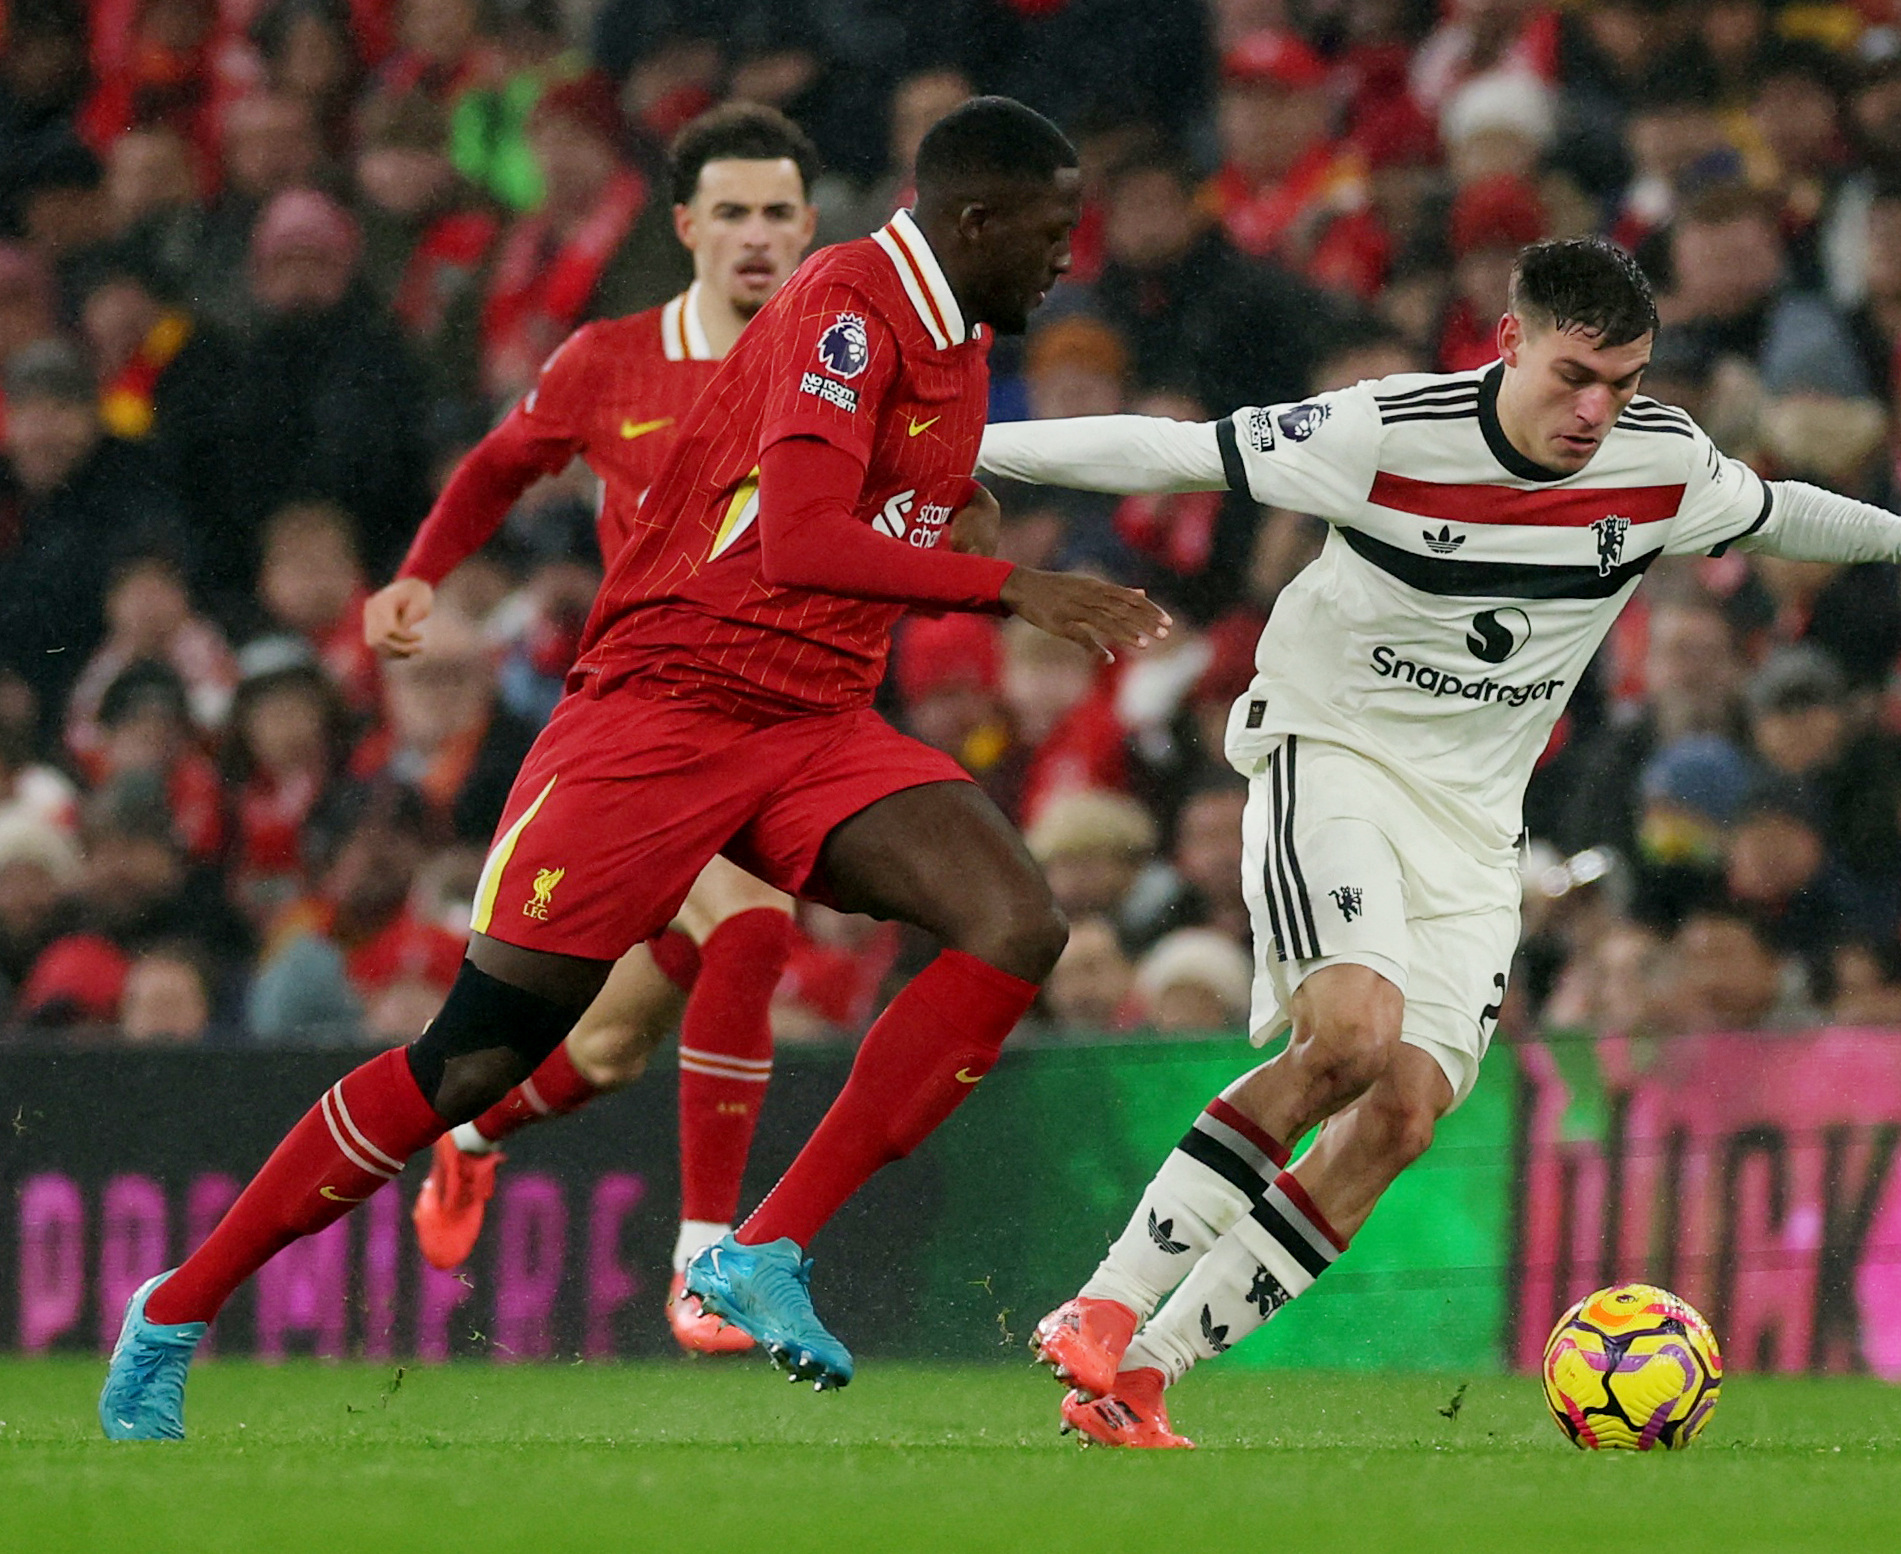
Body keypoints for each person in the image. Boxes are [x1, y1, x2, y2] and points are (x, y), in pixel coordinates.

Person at [100, 95, 1165, 1441]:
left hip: (812, 719)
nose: (1068, 257)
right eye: (1049, 231)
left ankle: (757, 1247)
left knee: (1013, 920)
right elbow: (791, 537)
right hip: (661, 711)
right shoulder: (848, 300)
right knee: (475, 1060)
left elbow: (870, 497)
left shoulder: (953, 335)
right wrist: (1010, 584)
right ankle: (177, 1306)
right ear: (970, 221)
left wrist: (954, 504)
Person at [979, 235, 1901, 1448]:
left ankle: (1148, 1373)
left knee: (1402, 1117)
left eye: (1623, 382)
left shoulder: (1658, 463)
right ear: (1507, 343)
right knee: (1348, 1038)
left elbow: (1769, 512)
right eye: (1572, 375)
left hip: (1476, 824)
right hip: (1334, 758)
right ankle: (1106, 1305)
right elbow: (1167, 454)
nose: (1595, 410)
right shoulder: (1383, 432)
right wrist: (955, 447)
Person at [362, 102, 822, 1356]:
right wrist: (419, 572)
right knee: (754, 931)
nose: (755, 235)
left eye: (778, 211)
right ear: (684, 226)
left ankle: (469, 1135)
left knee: (615, 1045)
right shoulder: (607, 360)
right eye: (730, 210)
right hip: (643, 726)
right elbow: (499, 466)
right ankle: (705, 1265)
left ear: (809, 226)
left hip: (789, 719)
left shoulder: (841, 362)